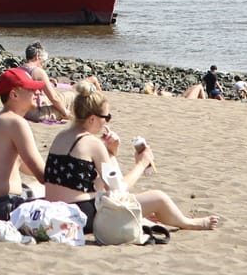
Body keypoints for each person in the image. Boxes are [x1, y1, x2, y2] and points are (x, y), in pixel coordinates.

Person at [43, 86, 220, 233]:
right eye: (106, 118)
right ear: (92, 118)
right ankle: (188, 223)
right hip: (81, 214)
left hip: (55, 209)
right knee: (159, 198)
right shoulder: (92, 143)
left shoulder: (62, 136)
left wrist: (111, 153)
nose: (107, 123)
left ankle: (146, 216)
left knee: (107, 185)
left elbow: (79, 178)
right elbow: (118, 190)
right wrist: (141, 163)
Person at [0, 68, 49, 223]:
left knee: (38, 187)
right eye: (32, 89)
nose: (38, 92)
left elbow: (22, 165)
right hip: (2, 207)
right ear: (14, 95)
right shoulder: (15, 122)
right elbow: (43, 176)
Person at [21, 42, 85, 122]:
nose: (42, 64)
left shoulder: (19, 69)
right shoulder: (38, 72)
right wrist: (64, 112)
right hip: (36, 114)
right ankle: (77, 119)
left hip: (22, 111)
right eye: (42, 61)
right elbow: (54, 98)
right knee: (71, 96)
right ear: (37, 56)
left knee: (50, 99)